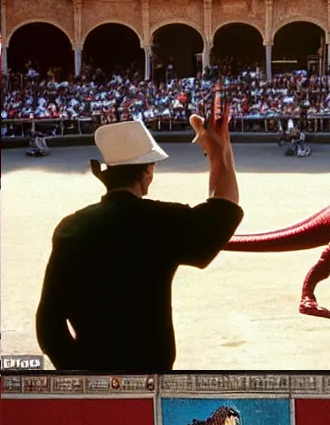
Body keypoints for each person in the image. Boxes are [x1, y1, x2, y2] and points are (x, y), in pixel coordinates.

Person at [35, 105, 243, 371]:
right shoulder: (160, 221)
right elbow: (224, 206)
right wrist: (219, 153)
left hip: (90, 367)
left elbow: (48, 323)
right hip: (149, 374)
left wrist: (77, 368)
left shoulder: (71, 228)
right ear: (148, 173)